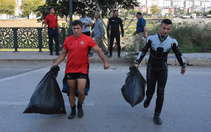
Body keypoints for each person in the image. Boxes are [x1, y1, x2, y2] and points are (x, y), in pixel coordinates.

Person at [52, 20, 110, 119]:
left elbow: (97, 50)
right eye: (74, 29)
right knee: (71, 91)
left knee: (81, 91)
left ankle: (80, 106)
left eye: (78, 28)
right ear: (72, 29)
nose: (76, 31)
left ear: (82, 29)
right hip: (70, 69)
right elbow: (63, 54)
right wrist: (55, 64)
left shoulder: (87, 39)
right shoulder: (68, 40)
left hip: (83, 68)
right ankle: (73, 109)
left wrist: (105, 61)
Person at [134, 19, 186, 125]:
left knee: (161, 92)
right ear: (160, 27)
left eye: (168, 29)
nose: (166, 31)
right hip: (151, 68)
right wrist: (137, 62)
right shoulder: (151, 38)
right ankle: (148, 98)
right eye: (164, 28)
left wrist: (183, 65)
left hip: (162, 68)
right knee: (150, 91)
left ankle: (157, 114)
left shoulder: (172, 41)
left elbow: (178, 54)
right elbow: (143, 51)